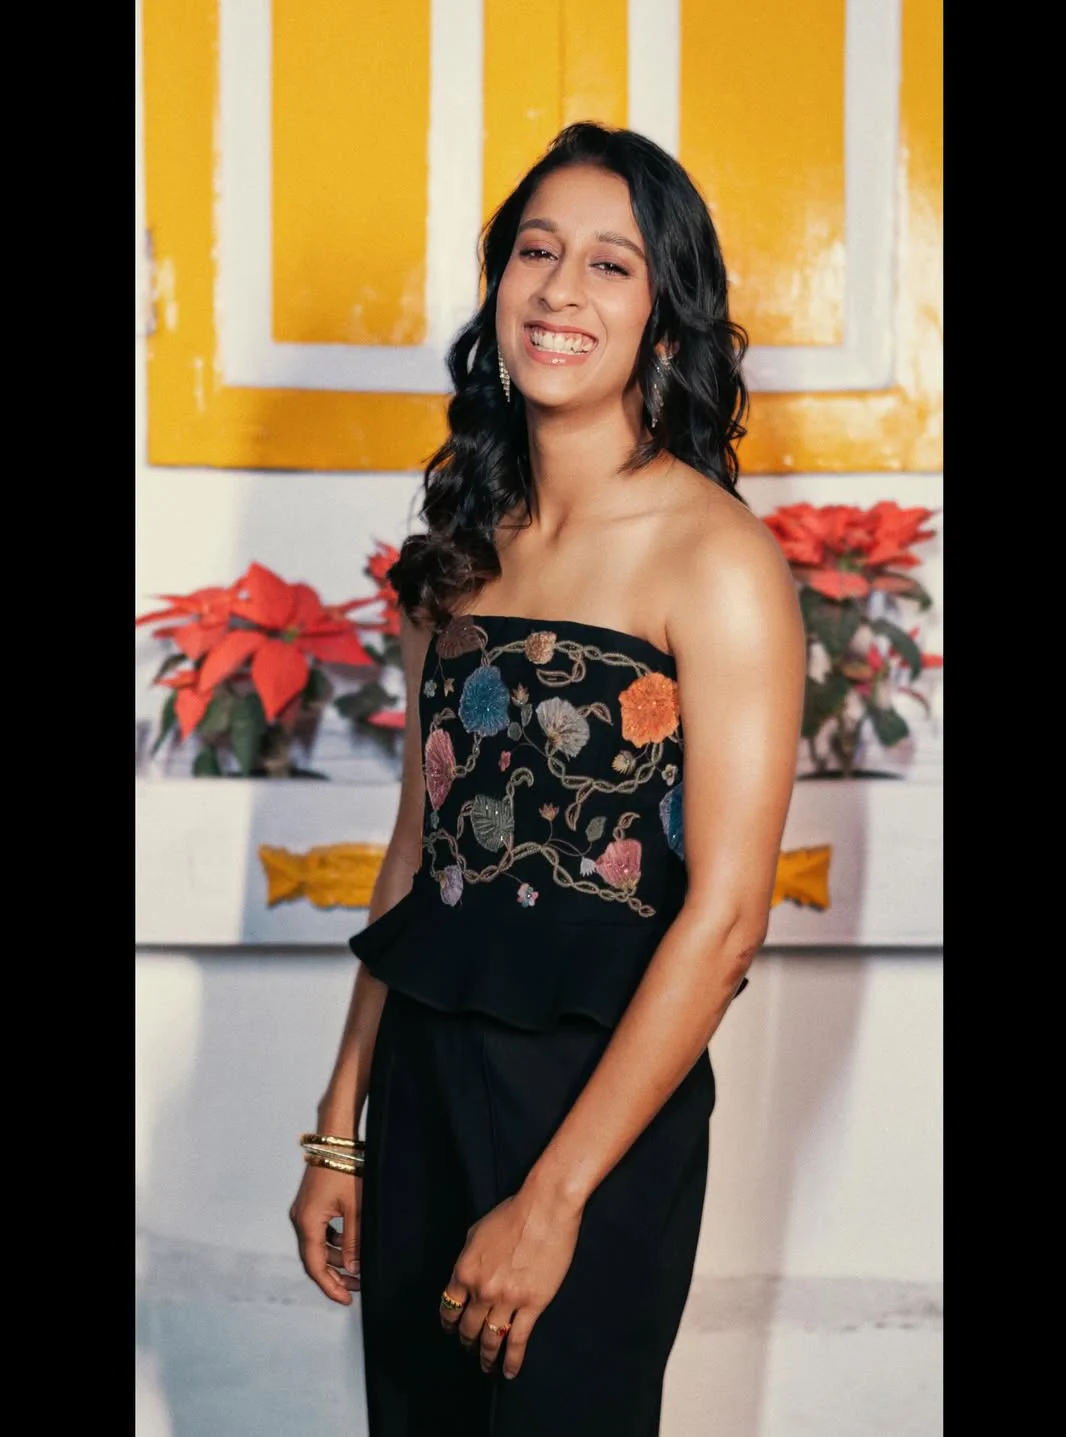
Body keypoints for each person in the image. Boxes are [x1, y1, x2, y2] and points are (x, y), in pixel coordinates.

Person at [289, 122, 805, 1436]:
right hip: (423, 1092)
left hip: (598, 1117)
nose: (562, 290)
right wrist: (343, 1123)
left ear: (666, 321)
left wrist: (555, 1198)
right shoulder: (458, 549)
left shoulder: (719, 561)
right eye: (537, 251)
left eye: (611, 265)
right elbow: (418, 857)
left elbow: (726, 921)